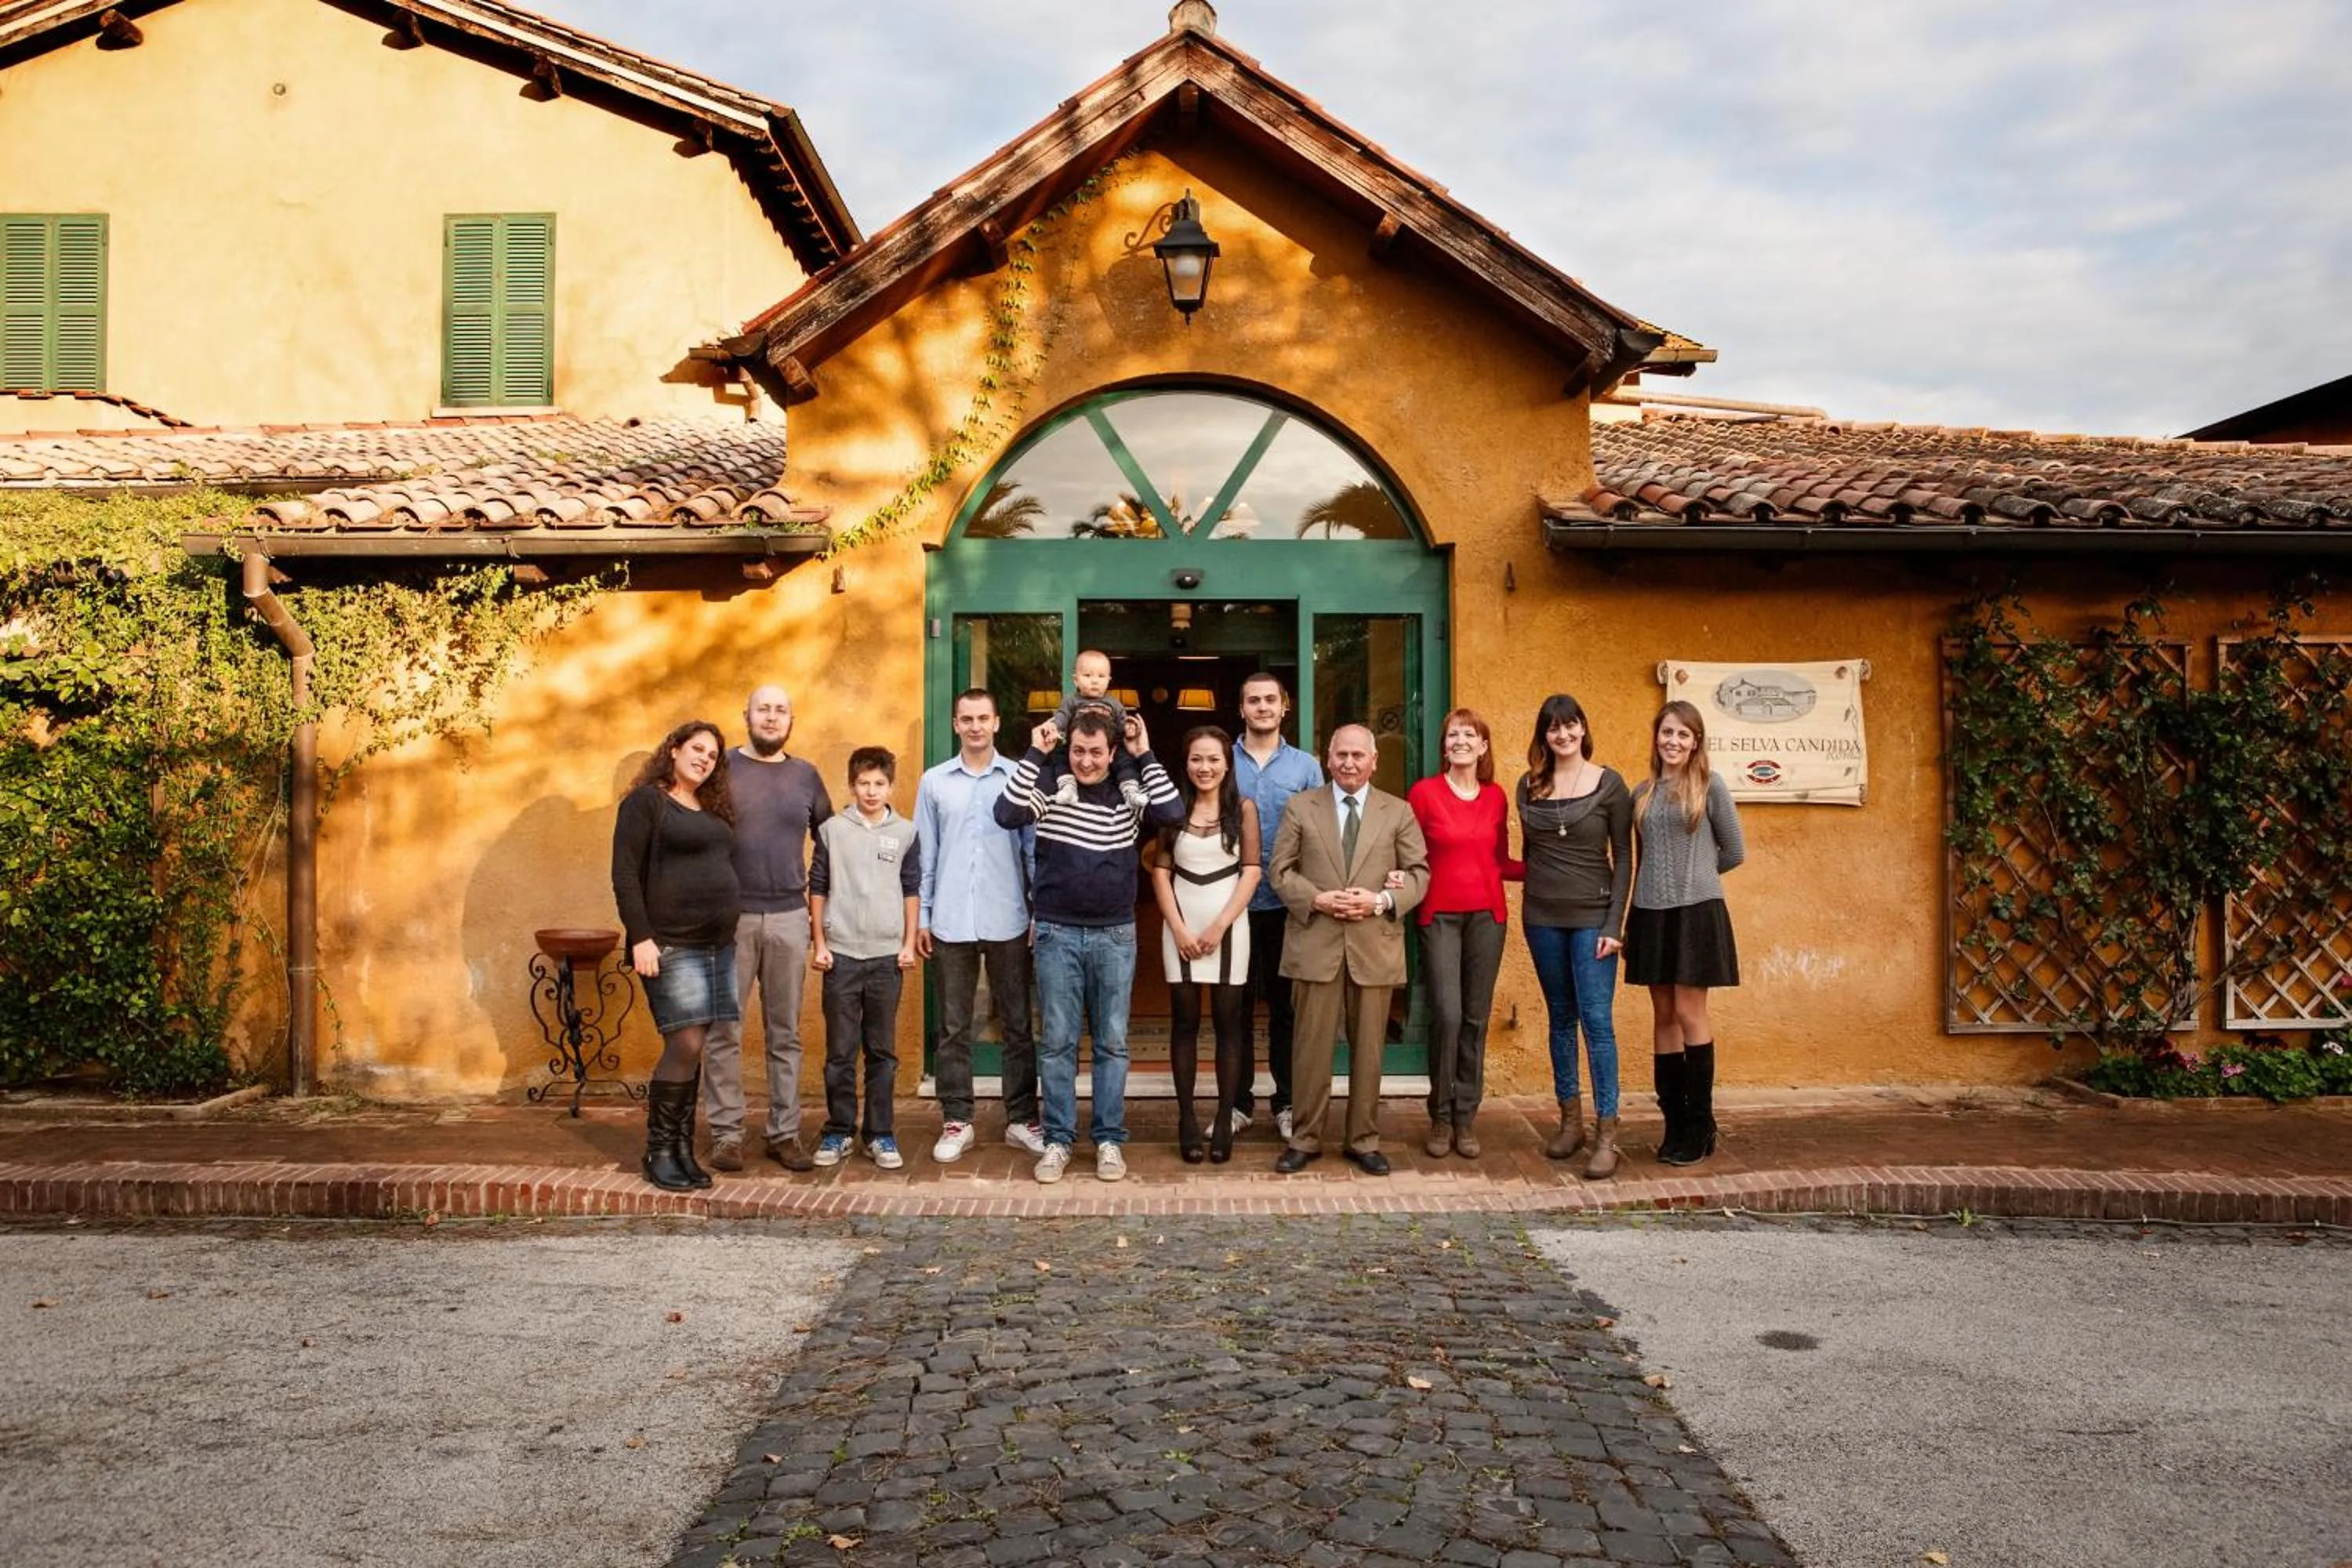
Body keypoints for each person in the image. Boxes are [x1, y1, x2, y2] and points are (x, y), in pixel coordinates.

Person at [993, 706, 1181, 1183]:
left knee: (1112, 1045)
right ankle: (1058, 1140)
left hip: (1115, 935)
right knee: (1057, 1044)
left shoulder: (1128, 791)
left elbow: (1172, 812)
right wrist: (1039, 751)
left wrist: (1144, 753)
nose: (1087, 761)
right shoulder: (1054, 788)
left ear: (1111, 751)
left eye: (1097, 752)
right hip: (1057, 933)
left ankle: (1109, 1140)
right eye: (1078, 751)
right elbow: (1006, 812)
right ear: (1068, 748)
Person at [1269, 724, 1428, 1175]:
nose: (1350, 763)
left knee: (1370, 1051)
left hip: (1373, 944)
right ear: (1328, 759)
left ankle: (1363, 1140)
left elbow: (1419, 873)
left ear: (1374, 761)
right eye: (1341, 755)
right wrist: (1317, 898)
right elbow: (1280, 871)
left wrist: (1380, 901)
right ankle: (1305, 1138)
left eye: (1359, 755)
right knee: (1311, 1049)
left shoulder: (1397, 812)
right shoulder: (1302, 806)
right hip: (1316, 941)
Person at [701, 685, 832, 1174]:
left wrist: (817, 898)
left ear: (791, 720)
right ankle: (727, 1134)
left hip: (788, 918)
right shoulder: (721, 769)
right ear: (747, 715)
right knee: (724, 1031)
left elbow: (829, 840)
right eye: (763, 709)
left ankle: (784, 1133)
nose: (772, 718)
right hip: (729, 920)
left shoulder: (806, 776)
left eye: (780, 710)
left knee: (785, 1033)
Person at [914, 688, 1043, 1162]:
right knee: (952, 1026)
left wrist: (1035, 911)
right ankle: (957, 1119)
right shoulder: (934, 783)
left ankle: (1022, 1119)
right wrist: (923, 916)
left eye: (982, 718)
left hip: (1009, 916)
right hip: (949, 920)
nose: (974, 726)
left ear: (996, 722)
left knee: (1016, 1023)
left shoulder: (1018, 778)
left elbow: (1032, 850)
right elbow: (924, 854)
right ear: (955, 725)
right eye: (966, 718)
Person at [610, 720, 739, 1192]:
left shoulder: (710, 807)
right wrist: (640, 937)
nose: (704, 759)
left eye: (712, 755)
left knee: (696, 1044)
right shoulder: (646, 803)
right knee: (683, 1043)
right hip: (669, 943)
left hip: (716, 946)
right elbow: (624, 874)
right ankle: (659, 1151)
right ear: (674, 749)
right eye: (697, 749)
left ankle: (682, 1148)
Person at [1516, 694, 1634, 1180]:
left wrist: (1614, 926)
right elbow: (1529, 852)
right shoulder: (1528, 785)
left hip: (1593, 919)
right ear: (1544, 736)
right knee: (1560, 1019)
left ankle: (1608, 1133)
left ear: (1583, 729)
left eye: (1570, 726)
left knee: (1596, 1022)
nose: (1562, 735)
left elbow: (1624, 856)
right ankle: (1571, 1123)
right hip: (1541, 917)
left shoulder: (1610, 784)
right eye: (1552, 728)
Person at [1624, 699, 1745, 1167]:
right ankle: (1673, 1120)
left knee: (1691, 1011)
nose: (1673, 741)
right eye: (1666, 733)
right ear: (1656, 737)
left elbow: (1733, 850)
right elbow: (1641, 858)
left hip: (1697, 913)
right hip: (1651, 912)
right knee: (1663, 1015)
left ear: (1696, 742)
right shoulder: (1643, 792)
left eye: (1683, 734)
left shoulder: (1710, 786)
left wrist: (1698, 877)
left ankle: (1701, 1124)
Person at [1406, 708, 1521, 1161]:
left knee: (1475, 1018)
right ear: (1444, 746)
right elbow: (1408, 853)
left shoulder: (1496, 797)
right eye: (1452, 734)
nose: (1460, 741)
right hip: (1438, 916)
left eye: (1469, 734)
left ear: (1483, 746)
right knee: (1448, 1015)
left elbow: (1501, 859)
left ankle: (1466, 1117)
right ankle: (1439, 1113)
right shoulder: (1424, 794)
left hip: (1487, 917)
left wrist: (1554, 869)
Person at [1150, 726, 1261, 1163]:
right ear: (1187, 763)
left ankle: (1224, 1117)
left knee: (1230, 1026)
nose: (1205, 767)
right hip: (1180, 924)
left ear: (1227, 764)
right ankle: (1186, 1120)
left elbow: (1252, 870)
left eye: (1214, 759)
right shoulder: (1172, 810)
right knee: (1185, 1023)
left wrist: (1218, 927)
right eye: (1197, 759)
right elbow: (1160, 870)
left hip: (1228, 926)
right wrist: (1177, 927)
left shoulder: (1244, 809)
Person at [808, 747, 921, 1170]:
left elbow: (912, 888)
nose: (871, 791)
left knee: (882, 1051)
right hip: (841, 956)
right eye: (863, 783)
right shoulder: (832, 831)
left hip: (887, 957)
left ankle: (880, 1133)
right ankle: (838, 1130)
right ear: (851, 786)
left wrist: (907, 943)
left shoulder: (906, 832)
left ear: (890, 786)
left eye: (879, 783)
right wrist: (819, 942)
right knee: (840, 1050)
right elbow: (818, 886)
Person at [1232, 672, 1323, 1142]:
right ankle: (1237, 1103)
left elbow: (1322, 835)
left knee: (1288, 1010)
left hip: (1289, 907)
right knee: (1237, 1009)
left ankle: (1286, 1102)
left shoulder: (1307, 767)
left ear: (1284, 706)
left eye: (1271, 700)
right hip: (1234, 906)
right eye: (1254, 700)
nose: (1263, 707)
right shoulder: (1221, 761)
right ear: (1241, 708)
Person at [1046, 649, 1148, 809]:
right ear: (1075, 680)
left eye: (1101, 677)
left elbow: (1123, 724)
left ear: (1109, 680)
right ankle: (1068, 788)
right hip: (1076, 745)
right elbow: (1062, 716)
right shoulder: (1071, 701)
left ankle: (1131, 793)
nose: (1095, 681)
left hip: (1109, 748)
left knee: (1125, 762)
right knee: (1059, 757)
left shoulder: (1114, 704)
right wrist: (1053, 726)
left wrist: (1130, 730)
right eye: (1088, 676)